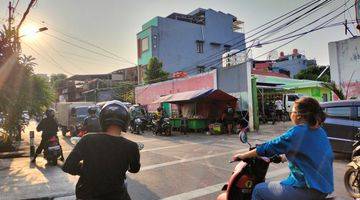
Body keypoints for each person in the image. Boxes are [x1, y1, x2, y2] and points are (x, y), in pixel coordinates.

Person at [232, 97, 333, 200]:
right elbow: (308, 153)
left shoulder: (297, 132)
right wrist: (282, 158)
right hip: (323, 188)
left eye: (292, 111)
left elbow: (269, 146)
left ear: (298, 115)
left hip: (307, 188)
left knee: (258, 190)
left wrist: (242, 155)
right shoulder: (320, 131)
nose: (290, 114)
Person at [62, 100, 141, 200]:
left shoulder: (87, 139)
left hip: (86, 194)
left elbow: (68, 166)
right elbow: (134, 169)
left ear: (102, 119)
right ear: (126, 120)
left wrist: (87, 171)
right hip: (116, 196)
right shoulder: (131, 146)